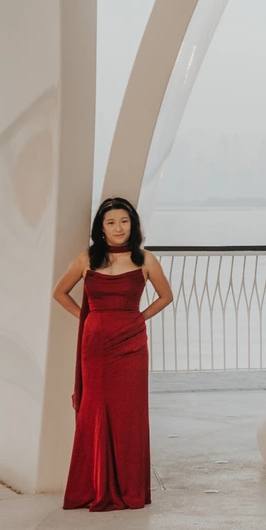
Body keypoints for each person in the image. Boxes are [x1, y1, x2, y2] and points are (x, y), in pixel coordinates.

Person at [52, 196, 171, 511]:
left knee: (129, 414)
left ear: (133, 225)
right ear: (101, 228)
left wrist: (139, 318)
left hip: (131, 345)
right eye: (111, 222)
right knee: (94, 410)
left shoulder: (145, 260)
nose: (119, 228)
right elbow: (59, 293)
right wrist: (87, 318)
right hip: (96, 346)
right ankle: (94, 485)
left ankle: (129, 488)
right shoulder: (86, 259)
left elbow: (166, 296)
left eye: (124, 221)